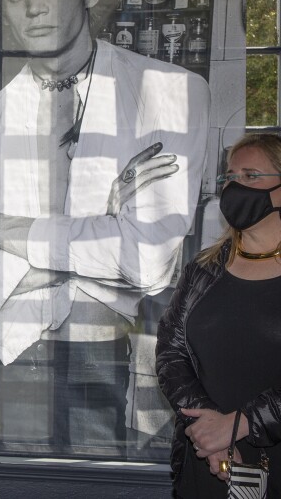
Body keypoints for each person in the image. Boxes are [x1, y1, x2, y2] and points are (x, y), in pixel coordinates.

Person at [0, 0, 209, 448]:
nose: (34, 7)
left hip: (111, 349)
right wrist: (101, 228)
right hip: (6, 348)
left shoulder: (168, 93)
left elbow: (146, 262)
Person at [156, 133, 281, 498]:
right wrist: (211, 430)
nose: (234, 186)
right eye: (230, 176)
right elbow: (170, 354)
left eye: (251, 175)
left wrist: (239, 425)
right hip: (206, 459)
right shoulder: (203, 269)